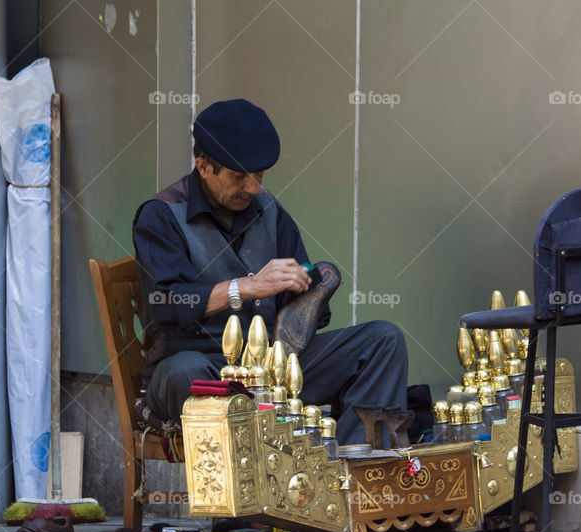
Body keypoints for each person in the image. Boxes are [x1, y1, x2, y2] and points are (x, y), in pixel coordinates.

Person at [133, 98, 407, 445]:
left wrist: (305, 292)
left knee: (383, 340)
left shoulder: (269, 210)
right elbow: (165, 305)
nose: (252, 187)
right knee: (188, 374)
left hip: (270, 371)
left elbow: (314, 320)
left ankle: (354, 474)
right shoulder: (161, 216)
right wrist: (246, 287)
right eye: (238, 177)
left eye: (258, 175)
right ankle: (251, 472)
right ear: (203, 167)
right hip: (197, 366)